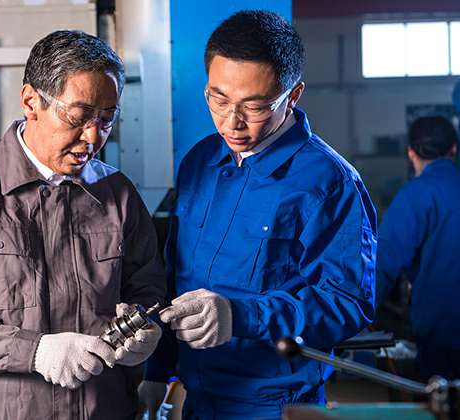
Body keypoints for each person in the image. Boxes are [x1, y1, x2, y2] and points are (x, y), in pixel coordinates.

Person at [0, 30, 166, 420]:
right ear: (31, 102)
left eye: (106, 119)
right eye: (78, 116)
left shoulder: (118, 194)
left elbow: (147, 291)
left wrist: (143, 333)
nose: (93, 136)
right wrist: (35, 351)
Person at [140, 10, 377, 420]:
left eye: (254, 106)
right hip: (198, 399)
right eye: (218, 99)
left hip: (275, 406)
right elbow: (175, 277)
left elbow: (348, 301)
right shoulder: (199, 161)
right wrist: (156, 372)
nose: (232, 122)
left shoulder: (328, 182)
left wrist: (241, 316)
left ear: (293, 95)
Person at [376, 116, 460, 418]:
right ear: (454, 149)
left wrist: (357, 316)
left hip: (446, 336)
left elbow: (382, 264)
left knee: (447, 411)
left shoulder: (415, 195)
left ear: (411, 152)